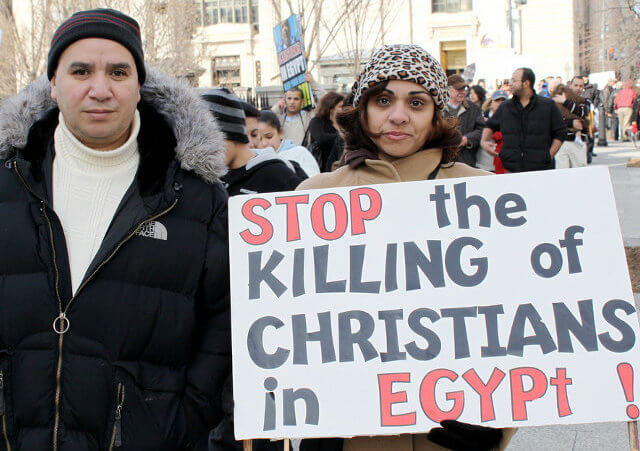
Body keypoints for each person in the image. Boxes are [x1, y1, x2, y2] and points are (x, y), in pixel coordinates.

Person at [0, 8, 231, 449]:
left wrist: (175, 426)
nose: (100, 89)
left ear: (138, 85)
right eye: (81, 71)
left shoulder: (196, 199)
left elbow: (222, 326)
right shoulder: (7, 182)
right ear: (53, 83)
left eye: (119, 72)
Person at [297, 45, 519, 450]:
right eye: (383, 100)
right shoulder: (312, 200)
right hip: (347, 436)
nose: (398, 116)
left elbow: (524, 326)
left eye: (416, 102)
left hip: (451, 436)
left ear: (436, 114)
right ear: (361, 109)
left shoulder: (485, 197)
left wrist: (499, 424)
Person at [202, 88, 303, 196]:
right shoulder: (211, 179)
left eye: (208, 141)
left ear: (230, 135)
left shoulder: (277, 174)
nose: (204, 151)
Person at [481, 67, 566, 172]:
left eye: (514, 80)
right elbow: (490, 125)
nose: (510, 83)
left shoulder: (548, 106)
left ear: (526, 83)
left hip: (541, 170)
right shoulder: (505, 107)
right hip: (512, 169)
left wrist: (549, 155)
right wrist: (484, 141)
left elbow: (561, 132)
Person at [257, 109, 320, 177]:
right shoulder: (255, 161)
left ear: (280, 132)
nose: (264, 143)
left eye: (269, 137)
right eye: (258, 139)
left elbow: (314, 181)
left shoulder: (300, 153)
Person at [444, 74, 485, 167]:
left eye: (464, 89)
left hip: (467, 161)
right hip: (443, 162)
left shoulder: (474, 108)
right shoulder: (438, 109)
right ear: (448, 89)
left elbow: (482, 130)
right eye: (458, 89)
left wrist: (466, 139)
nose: (462, 92)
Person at [551, 83, 590, 168]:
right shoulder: (554, 101)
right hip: (561, 142)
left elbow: (582, 113)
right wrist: (571, 123)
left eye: (580, 86)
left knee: (580, 170)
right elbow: (552, 121)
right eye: (576, 85)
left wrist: (565, 102)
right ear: (570, 86)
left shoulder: (584, 101)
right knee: (562, 172)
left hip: (577, 141)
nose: (578, 88)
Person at [307, 91, 345, 172]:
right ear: (331, 108)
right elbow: (321, 138)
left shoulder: (344, 122)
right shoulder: (317, 121)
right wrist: (340, 135)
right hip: (322, 167)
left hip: (341, 166)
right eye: (340, 106)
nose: (343, 109)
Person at [476, 90, 508, 172]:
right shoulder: (480, 117)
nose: (500, 103)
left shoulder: (513, 119)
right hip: (483, 164)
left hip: (503, 165)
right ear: (491, 102)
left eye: (503, 101)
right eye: (497, 100)